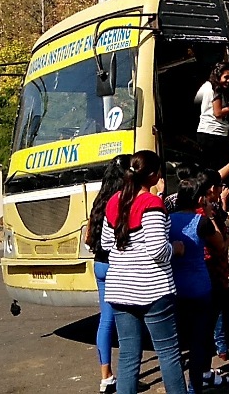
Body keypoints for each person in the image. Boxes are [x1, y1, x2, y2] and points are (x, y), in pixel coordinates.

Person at [101, 150, 188, 394]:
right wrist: (176, 248)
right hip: (152, 288)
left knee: (128, 356)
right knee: (168, 353)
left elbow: (106, 244)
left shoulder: (114, 201)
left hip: (120, 288)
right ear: (152, 175)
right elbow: (158, 250)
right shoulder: (151, 203)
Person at [169, 178, 224, 394]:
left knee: (176, 342)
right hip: (200, 287)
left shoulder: (168, 220)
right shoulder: (201, 222)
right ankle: (195, 387)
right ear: (199, 199)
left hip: (174, 287)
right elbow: (220, 243)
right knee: (198, 341)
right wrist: (211, 216)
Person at [84, 153, 132, 394]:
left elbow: (88, 238)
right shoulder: (122, 201)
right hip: (116, 265)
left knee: (105, 320)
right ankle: (127, 377)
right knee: (126, 322)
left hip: (99, 265)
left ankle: (106, 376)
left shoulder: (99, 201)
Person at [194, 168, 229, 387]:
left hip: (202, 274)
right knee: (207, 326)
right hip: (211, 271)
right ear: (212, 189)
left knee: (203, 327)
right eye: (219, 186)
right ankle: (203, 374)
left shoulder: (190, 205)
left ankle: (203, 372)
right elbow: (219, 243)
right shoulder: (204, 212)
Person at [195, 62, 229, 171]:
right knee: (218, 169)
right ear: (218, 75)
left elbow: (197, 100)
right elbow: (218, 113)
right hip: (214, 134)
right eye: (226, 77)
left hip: (205, 132)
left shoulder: (206, 86)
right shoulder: (216, 89)